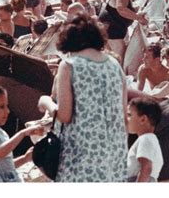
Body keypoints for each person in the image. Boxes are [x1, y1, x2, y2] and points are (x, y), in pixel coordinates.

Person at [38, 14, 129, 182]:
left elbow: (65, 115)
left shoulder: (70, 65)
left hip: (82, 150)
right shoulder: (114, 64)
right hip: (114, 150)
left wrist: (46, 102)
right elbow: (123, 114)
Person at [98, 0, 147, 66]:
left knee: (111, 61)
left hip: (110, 31)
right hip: (113, 33)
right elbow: (121, 8)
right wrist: (138, 18)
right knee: (119, 61)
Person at [127, 97, 163, 182]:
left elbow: (146, 168)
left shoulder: (146, 139)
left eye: (129, 115)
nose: (125, 119)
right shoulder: (149, 139)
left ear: (143, 119)